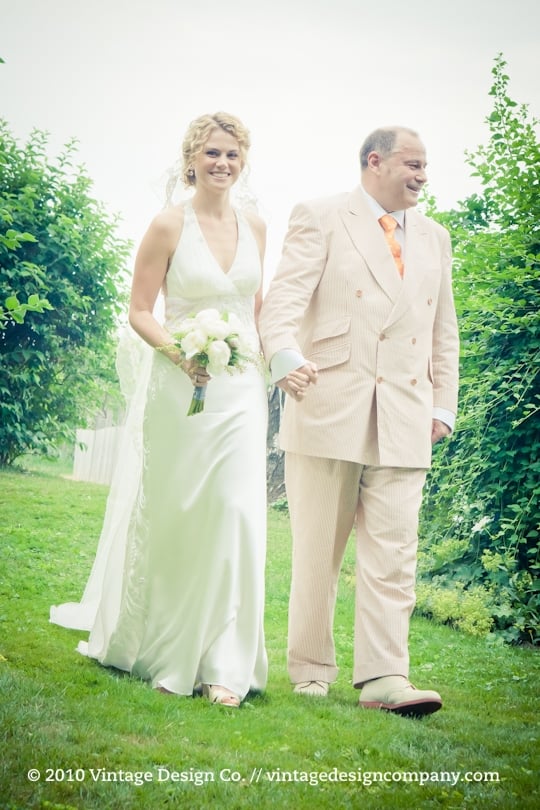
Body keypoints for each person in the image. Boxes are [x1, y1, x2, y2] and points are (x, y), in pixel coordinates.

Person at [51, 112, 268, 708]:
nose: (223, 163)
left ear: (242, 162)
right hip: (181, 389)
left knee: (235, 511)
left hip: (243, 390)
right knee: (180, 512)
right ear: (191, 159)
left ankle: (224, 661)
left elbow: (258, 306)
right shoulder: (168, 225)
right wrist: (181, 354)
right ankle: (165, 643)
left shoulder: (255, 225)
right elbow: (141, 308)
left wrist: (281, 363)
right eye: (213, 153)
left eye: (233, 155)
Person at [258, 126, 459, 716]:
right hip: (328, 403)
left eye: (426, 165)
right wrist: (283, 356)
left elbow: (443, 328)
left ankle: (384, 678)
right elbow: (285, 300)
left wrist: (443, 404)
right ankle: (311, 669)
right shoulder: (320, 216)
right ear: (376, 161)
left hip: (407, 412)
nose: (423, 175)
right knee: (318, 551)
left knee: (396, 554)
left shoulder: (437, 237)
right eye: (413, 164)